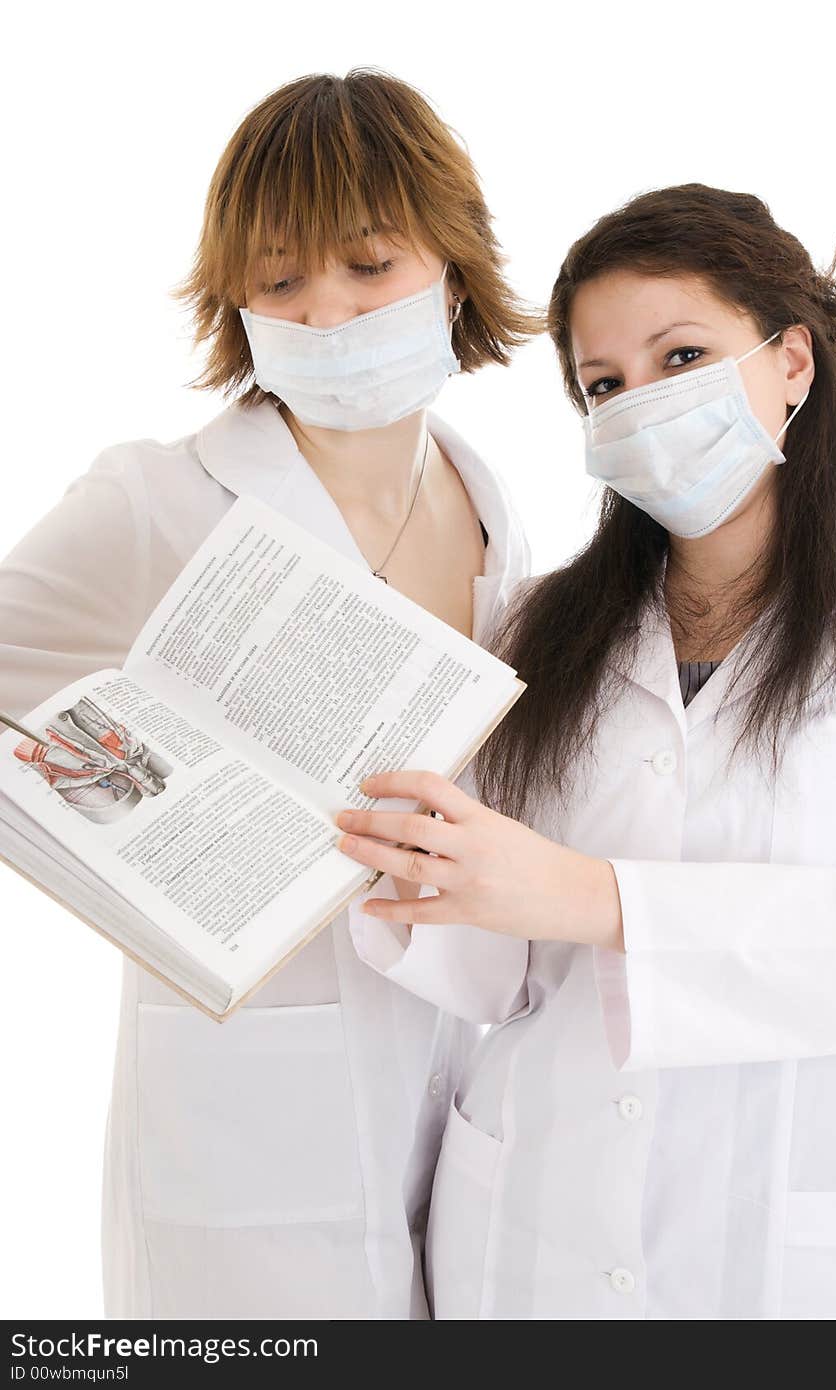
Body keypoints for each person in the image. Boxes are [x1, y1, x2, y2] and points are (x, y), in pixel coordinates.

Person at [0, 69, 539, 1319]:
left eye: (367, 263)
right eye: (280, 277)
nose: (327, 311)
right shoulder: (154, 497)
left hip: (454, 1067)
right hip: (245, 1093)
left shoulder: (490, 500)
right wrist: (118, 798)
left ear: (450, 272)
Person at [335, 183, 836, 1319]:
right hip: (530, 1227)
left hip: (784, 1244)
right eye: (604, 385)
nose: (643, 404)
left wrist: (596, 898)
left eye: (682, 354)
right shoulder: (536, 628)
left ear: (792, 361)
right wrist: (397, 861)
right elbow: (493, 967)